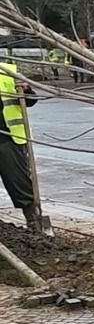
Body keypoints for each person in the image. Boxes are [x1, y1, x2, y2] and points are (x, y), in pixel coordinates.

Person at [0, 57, 40, 231]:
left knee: (19, 181)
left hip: (8, 138)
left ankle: (34, 220)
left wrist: (25, 88)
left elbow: (30, 100)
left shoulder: (7, 72)